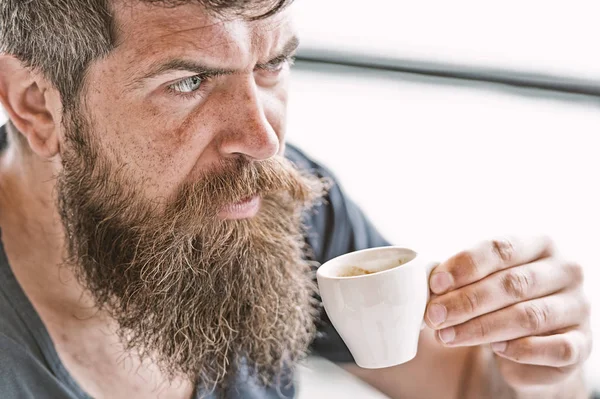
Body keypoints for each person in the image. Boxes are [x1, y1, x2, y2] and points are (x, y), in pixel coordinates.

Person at [0, 1, 591, 398]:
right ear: (36, 104)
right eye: (188, 82)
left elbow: (467, 380)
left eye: (273, 64)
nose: (263, 142)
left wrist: (536, 358)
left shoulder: (264, 204)